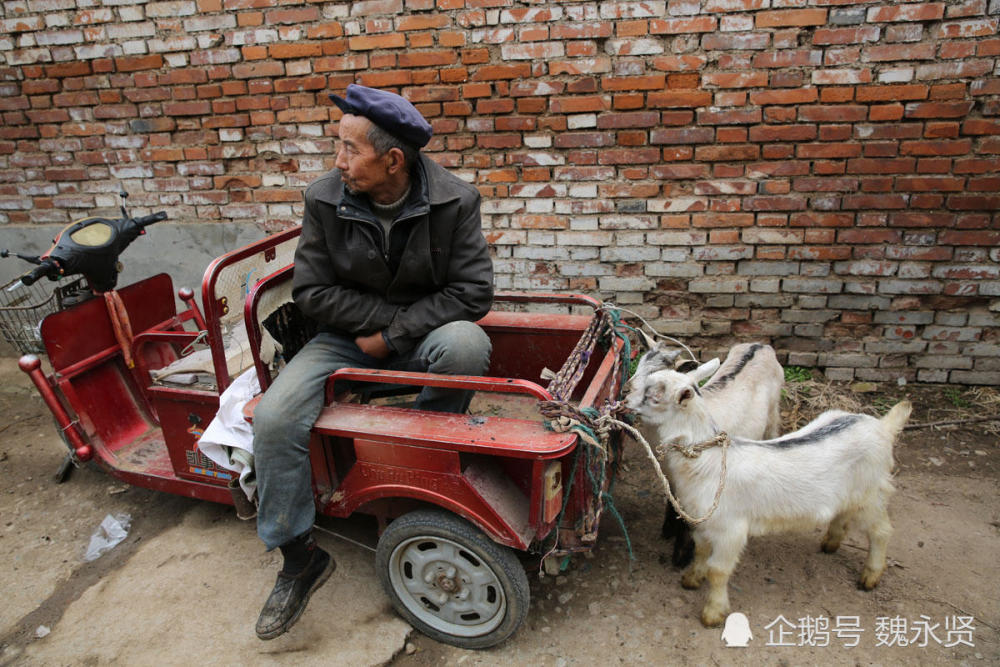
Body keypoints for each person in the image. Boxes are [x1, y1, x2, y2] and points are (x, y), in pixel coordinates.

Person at [252, 84, 494, 640]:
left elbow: (473, 293)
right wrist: (375, 327)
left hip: (423, 333)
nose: (338, 162)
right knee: (274, 416)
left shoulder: (455, 200)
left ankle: (420, 466)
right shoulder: (324, 198)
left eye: (349, 150)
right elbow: (311, 292)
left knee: (466, 345)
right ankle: (297, 557)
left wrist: (395, 333)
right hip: (345, 338)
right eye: (337, 147)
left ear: (393, 160)